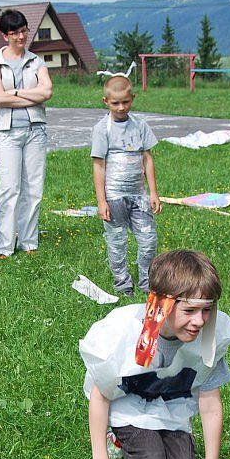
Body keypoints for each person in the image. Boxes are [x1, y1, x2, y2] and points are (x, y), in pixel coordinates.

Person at [81, 250, 230, 459]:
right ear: (160, 304)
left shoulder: (209, 335)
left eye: (207, 310)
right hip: (128, 406)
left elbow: (210, 403)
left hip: (172, 406)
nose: (200, 321)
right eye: (189, 310)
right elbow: (100, 397)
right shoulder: (123, 332)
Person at [0, 8, 53, 258]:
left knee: (33, 189)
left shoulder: (37, 61)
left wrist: (14, 93)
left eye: (23, 30)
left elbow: (47, 92)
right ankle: (3, 246)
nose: (21, 36)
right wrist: (30, 96)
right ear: (5, 35)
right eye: (15, 33)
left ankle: (29, 242)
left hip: (36, 131)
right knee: (9, 189)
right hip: (7, 133)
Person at [90, 74, 161, 296]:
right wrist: (101, 201)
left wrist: (153, 192)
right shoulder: (102, 129)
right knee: (117, 240)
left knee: (148, 240)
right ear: (105, 101)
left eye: (126, 102)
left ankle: (147, 282)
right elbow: (98, 166)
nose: (121, 107)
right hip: (114, 197)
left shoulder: (140, 125)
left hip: (139, 195)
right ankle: (122, 283)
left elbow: (147, 159)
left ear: (133, 98)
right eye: (115, 103)